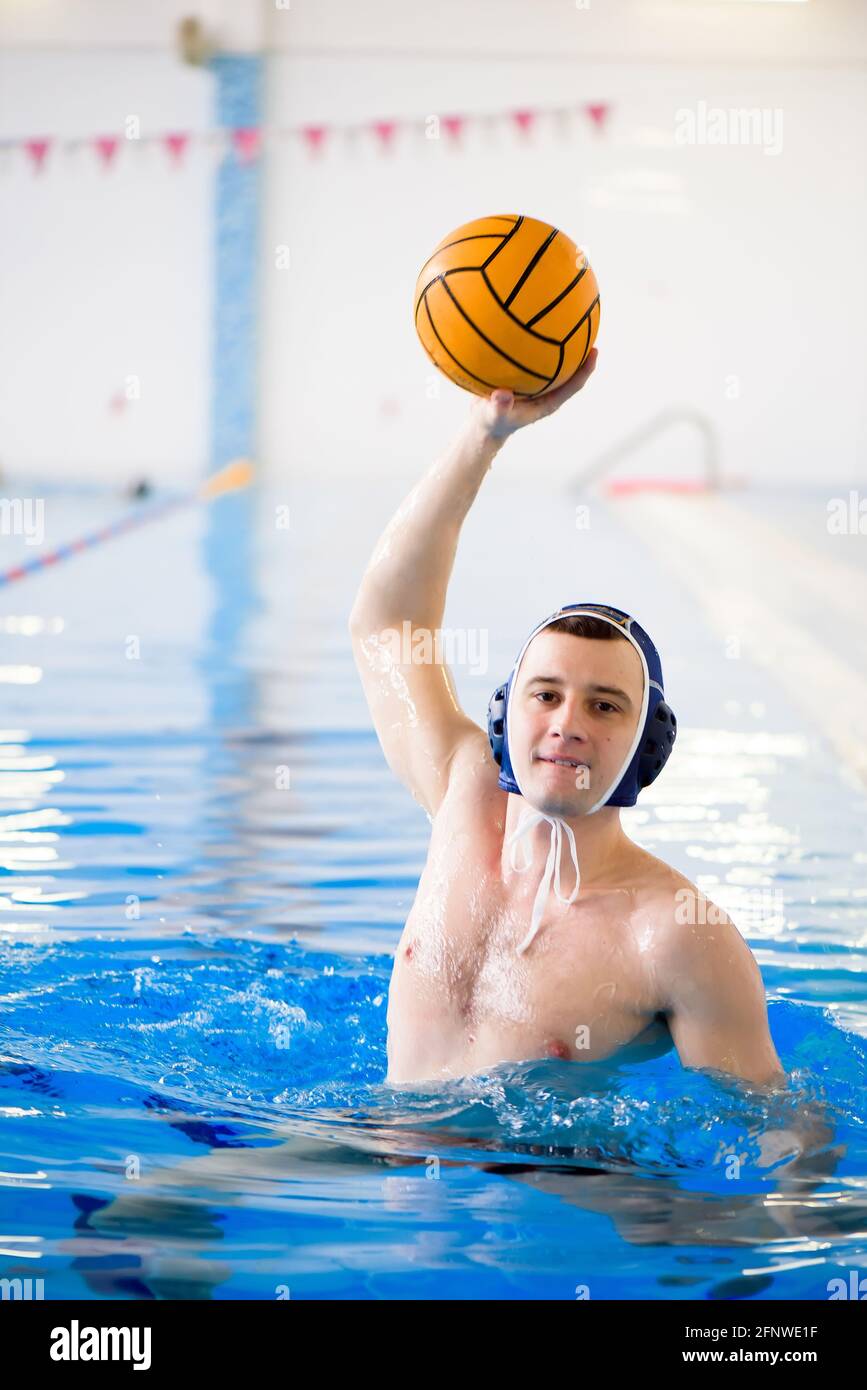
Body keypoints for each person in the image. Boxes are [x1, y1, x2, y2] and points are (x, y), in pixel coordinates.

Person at [349, 349, 786, 1089]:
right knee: (150, 1208)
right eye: (544, 694)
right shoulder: (463, 796)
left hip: (567, 1183)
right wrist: (482, 436)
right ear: (504, 716)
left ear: (647, 748)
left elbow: (774, 1130)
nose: (567, 722)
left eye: (604, 705)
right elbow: (387, 623)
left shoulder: (675, 933)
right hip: (393, 1145)